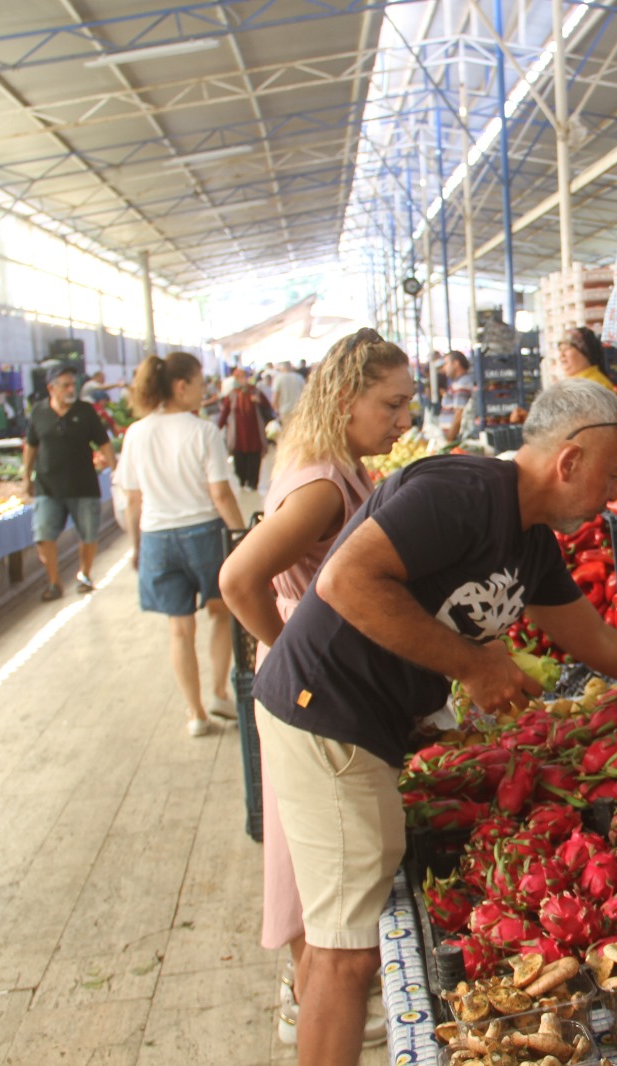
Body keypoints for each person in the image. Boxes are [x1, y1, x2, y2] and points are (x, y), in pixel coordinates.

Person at [253, 378, 617, 1066]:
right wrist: (472, 666)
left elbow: (601, 644)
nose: (616, 494)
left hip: (365, 730)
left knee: (348, 944)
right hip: (325, 716)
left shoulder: (530, 543)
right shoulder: (463, 495)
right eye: (613, 475)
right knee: (345, 958)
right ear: (569, 462)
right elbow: (344, 580)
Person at [218, 329, 413, 1048]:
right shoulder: (326, 487)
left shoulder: (321, 458)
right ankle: (317, 1008)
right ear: (343, 396)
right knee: (325, 893)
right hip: (312, 694)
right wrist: (286, 651)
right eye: (391, 404)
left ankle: (305, 999)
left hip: (307, 687)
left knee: (306, 864)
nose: (402, 421)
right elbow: (238, 580)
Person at [118, 351, 246, 737]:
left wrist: (137, 546)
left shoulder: (136, 433)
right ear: (180, 386)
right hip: (204, 534)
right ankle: (219, 692)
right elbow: (221, 494)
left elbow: (133, 499)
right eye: (200, 380)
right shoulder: (202, 431)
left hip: (158, 537)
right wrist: (242, 537)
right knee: (221, 613)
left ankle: (195, 715)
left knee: (179, 629)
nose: (204, 388)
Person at [23, 364, 116, 600]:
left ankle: (84, 574)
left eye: (72, 384)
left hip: (82, 484)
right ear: (51, 388)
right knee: (43, 535)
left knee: (88, 534)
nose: (70, 389)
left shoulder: (85, 411)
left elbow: (103, 443)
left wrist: (115, 470)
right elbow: (31, 445)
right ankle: (54, 582)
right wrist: (26, 477)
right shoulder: (39, 412)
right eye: (65, 385)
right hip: (47, 486)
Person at [218, 370, 275, 493]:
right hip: (238, 434)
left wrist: (258, 402)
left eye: (244, 377)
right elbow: (225, 413)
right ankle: (242, 481)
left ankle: (253, 483)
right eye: (240, 378)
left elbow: (268, 408)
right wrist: (218, 428)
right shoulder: (232, 395)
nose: (243, 380)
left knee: (254, 458)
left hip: (254, 432)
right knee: (239, 458)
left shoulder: (256, 392)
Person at [438, 349, 475, 441]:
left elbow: (459, 414)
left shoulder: (462, 383)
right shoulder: (458, 382)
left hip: (455, 440)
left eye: (446, 364)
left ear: (455, 363)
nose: (444, 368)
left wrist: (449, 440)